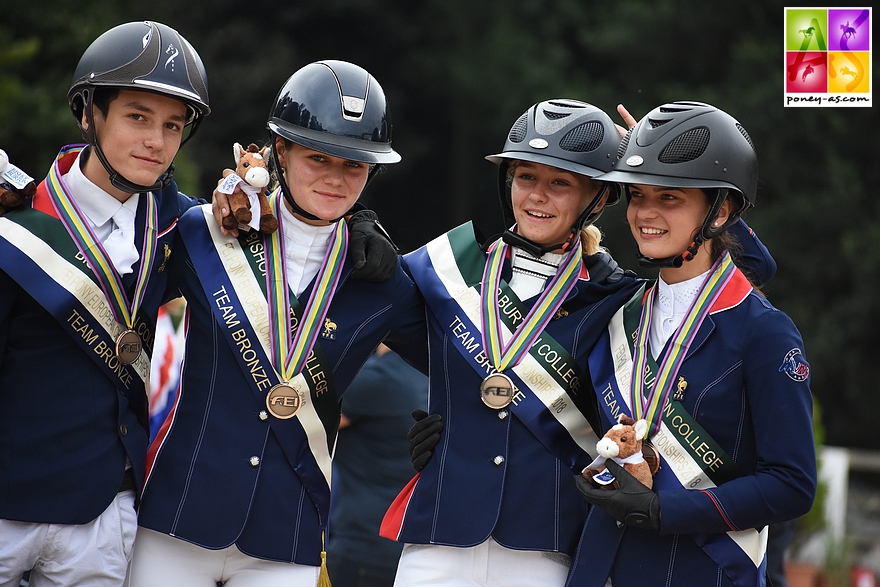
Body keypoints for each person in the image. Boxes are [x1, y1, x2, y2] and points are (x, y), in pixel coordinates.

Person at [127, 60, 422, 587]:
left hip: (287, 535)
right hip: (178, 515)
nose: (335, 178)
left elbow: (467, 354)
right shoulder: (205, 230)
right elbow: (108, 242)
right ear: (279, 152)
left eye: (354, 166)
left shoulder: (385, 281)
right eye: (318, 158)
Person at [378, 99, 645, 587]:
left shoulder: (616, 299)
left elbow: (742, 277)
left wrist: (661, 165)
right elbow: (342, 297)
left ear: (600, 197)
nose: (537, 196)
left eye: (560, 182)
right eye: (526, 177)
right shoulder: (447, 269)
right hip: (439, 537)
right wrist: (356, 232)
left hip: (544, 545)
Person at [0, 21, 210, 587]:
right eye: (138, 117)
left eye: (172, 125)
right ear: (91, 115)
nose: (156, 142)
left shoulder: (183, 227)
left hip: (103, 511)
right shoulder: (17, 222)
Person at [572, 101, 816, 587]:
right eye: (638, 195)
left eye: (670, 197)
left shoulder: (764, 332)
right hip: (599, 568)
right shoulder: (620, 309)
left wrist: (667, 510)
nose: (645, 213)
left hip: (703, 570)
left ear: (721, 210)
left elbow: (791, 485)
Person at [325, 344, 429, 587]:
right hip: (411, 547)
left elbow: (300, 420)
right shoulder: (429, 375)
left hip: (363, 548)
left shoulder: (376, 379)